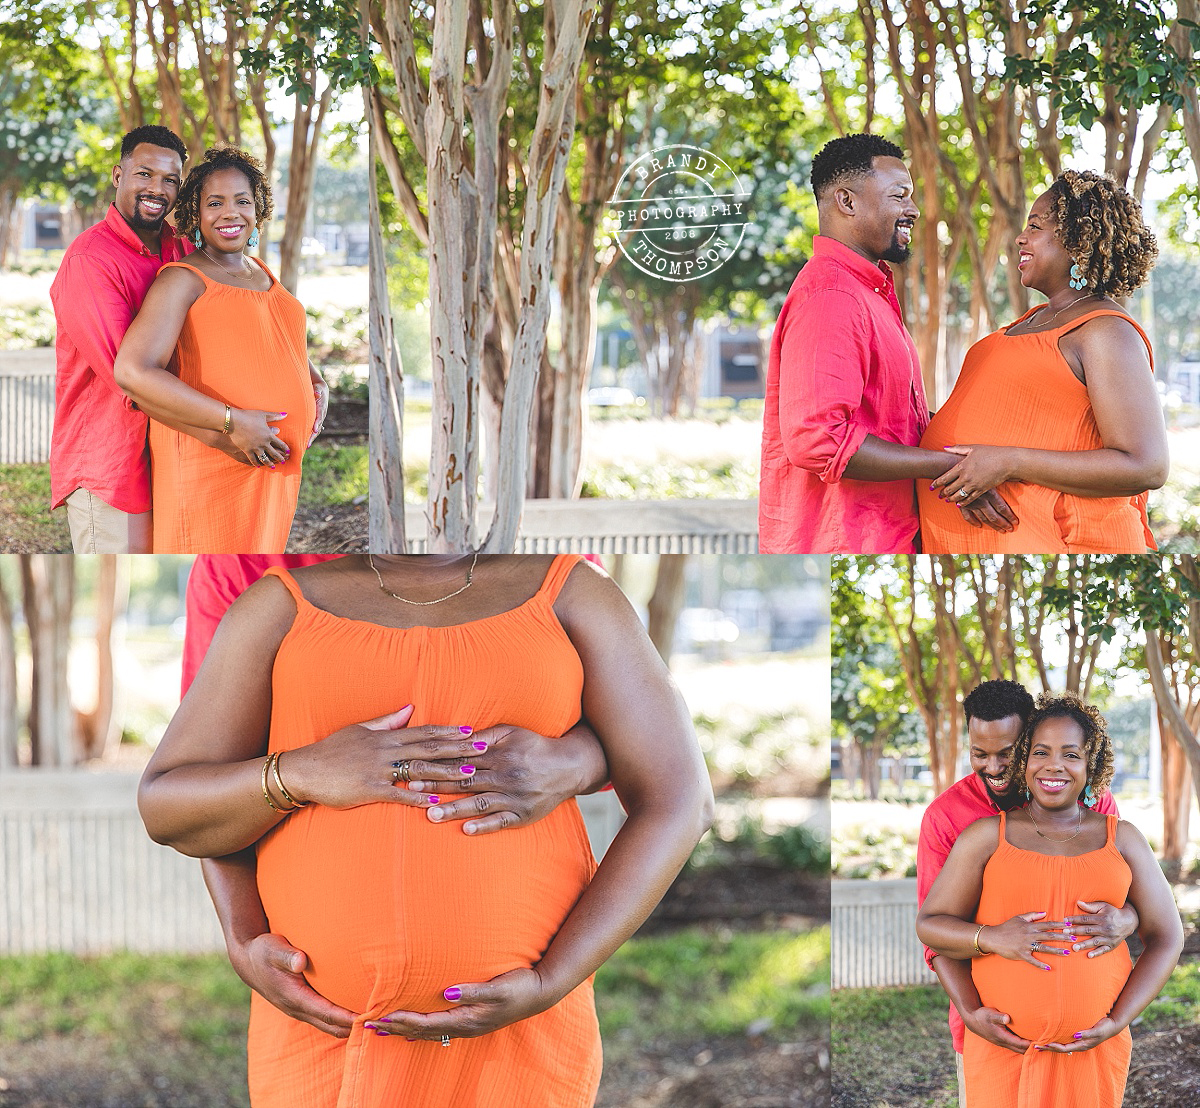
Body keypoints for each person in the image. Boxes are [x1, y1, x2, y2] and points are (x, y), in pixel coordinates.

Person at [139, 553, 713, 1106]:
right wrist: (302, 772)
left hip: (514, 1041)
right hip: (326, 1037)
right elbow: (174, 806)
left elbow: (678, 798)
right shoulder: (275, 604)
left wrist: (551, 981)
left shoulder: (573, 590)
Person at [180, 554, 612, 1041]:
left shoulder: (563, 579)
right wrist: (243, 937)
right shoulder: (251, 575)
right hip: (318, 1028)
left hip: (526, 1027)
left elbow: (653, 763)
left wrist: (575, 760)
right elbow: (209, 786)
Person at [917, 694, 1182, 1108]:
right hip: (996, 1038)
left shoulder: (1116, 827)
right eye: (1041, 752)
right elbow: (934, 927)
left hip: (1091, 1051)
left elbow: (1161, 928)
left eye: (1070, 754)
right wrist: (989, 946)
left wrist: (1128, 923)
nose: (994, 767)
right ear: (1029, 755)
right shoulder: (969, 827)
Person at [759, 133, 1015, 554]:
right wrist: (955, 469)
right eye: (900, 196)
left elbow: (896, 424)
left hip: (889, 532)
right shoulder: (833, 295)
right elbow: (819, 439)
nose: (913, 210)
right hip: (846, 543)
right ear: (846, 201)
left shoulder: (866, 291)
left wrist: (989, 456)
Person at [918, 170, 1167, 553]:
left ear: (1079, 240)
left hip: (1057, 541)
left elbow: (1146, 465)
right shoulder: (1032, 321)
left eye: (1035, 226)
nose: (1021, 237)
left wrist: (1008, 462)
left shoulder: (1104, 331)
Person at [114, 145, 328, 553]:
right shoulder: (183, 279)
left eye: (242, 201)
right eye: (215, 203)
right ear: (196, 212)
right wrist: (232, 421)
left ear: (258, 207)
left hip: (271, 471)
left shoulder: (260, 271)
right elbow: (134, 371)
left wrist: (317, 383)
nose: (231, 213)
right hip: (212, 467)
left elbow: (277, 340)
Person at [48, 126, 246, 553]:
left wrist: (308, 374)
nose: (157, 188)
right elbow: (131, 378)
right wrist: (227, 431)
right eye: (145, 174)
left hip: (173, 454)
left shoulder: (180, 248)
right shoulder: (90, 261)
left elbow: (238, 311)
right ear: (119, 176)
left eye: (170, 179)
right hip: (112, 464)